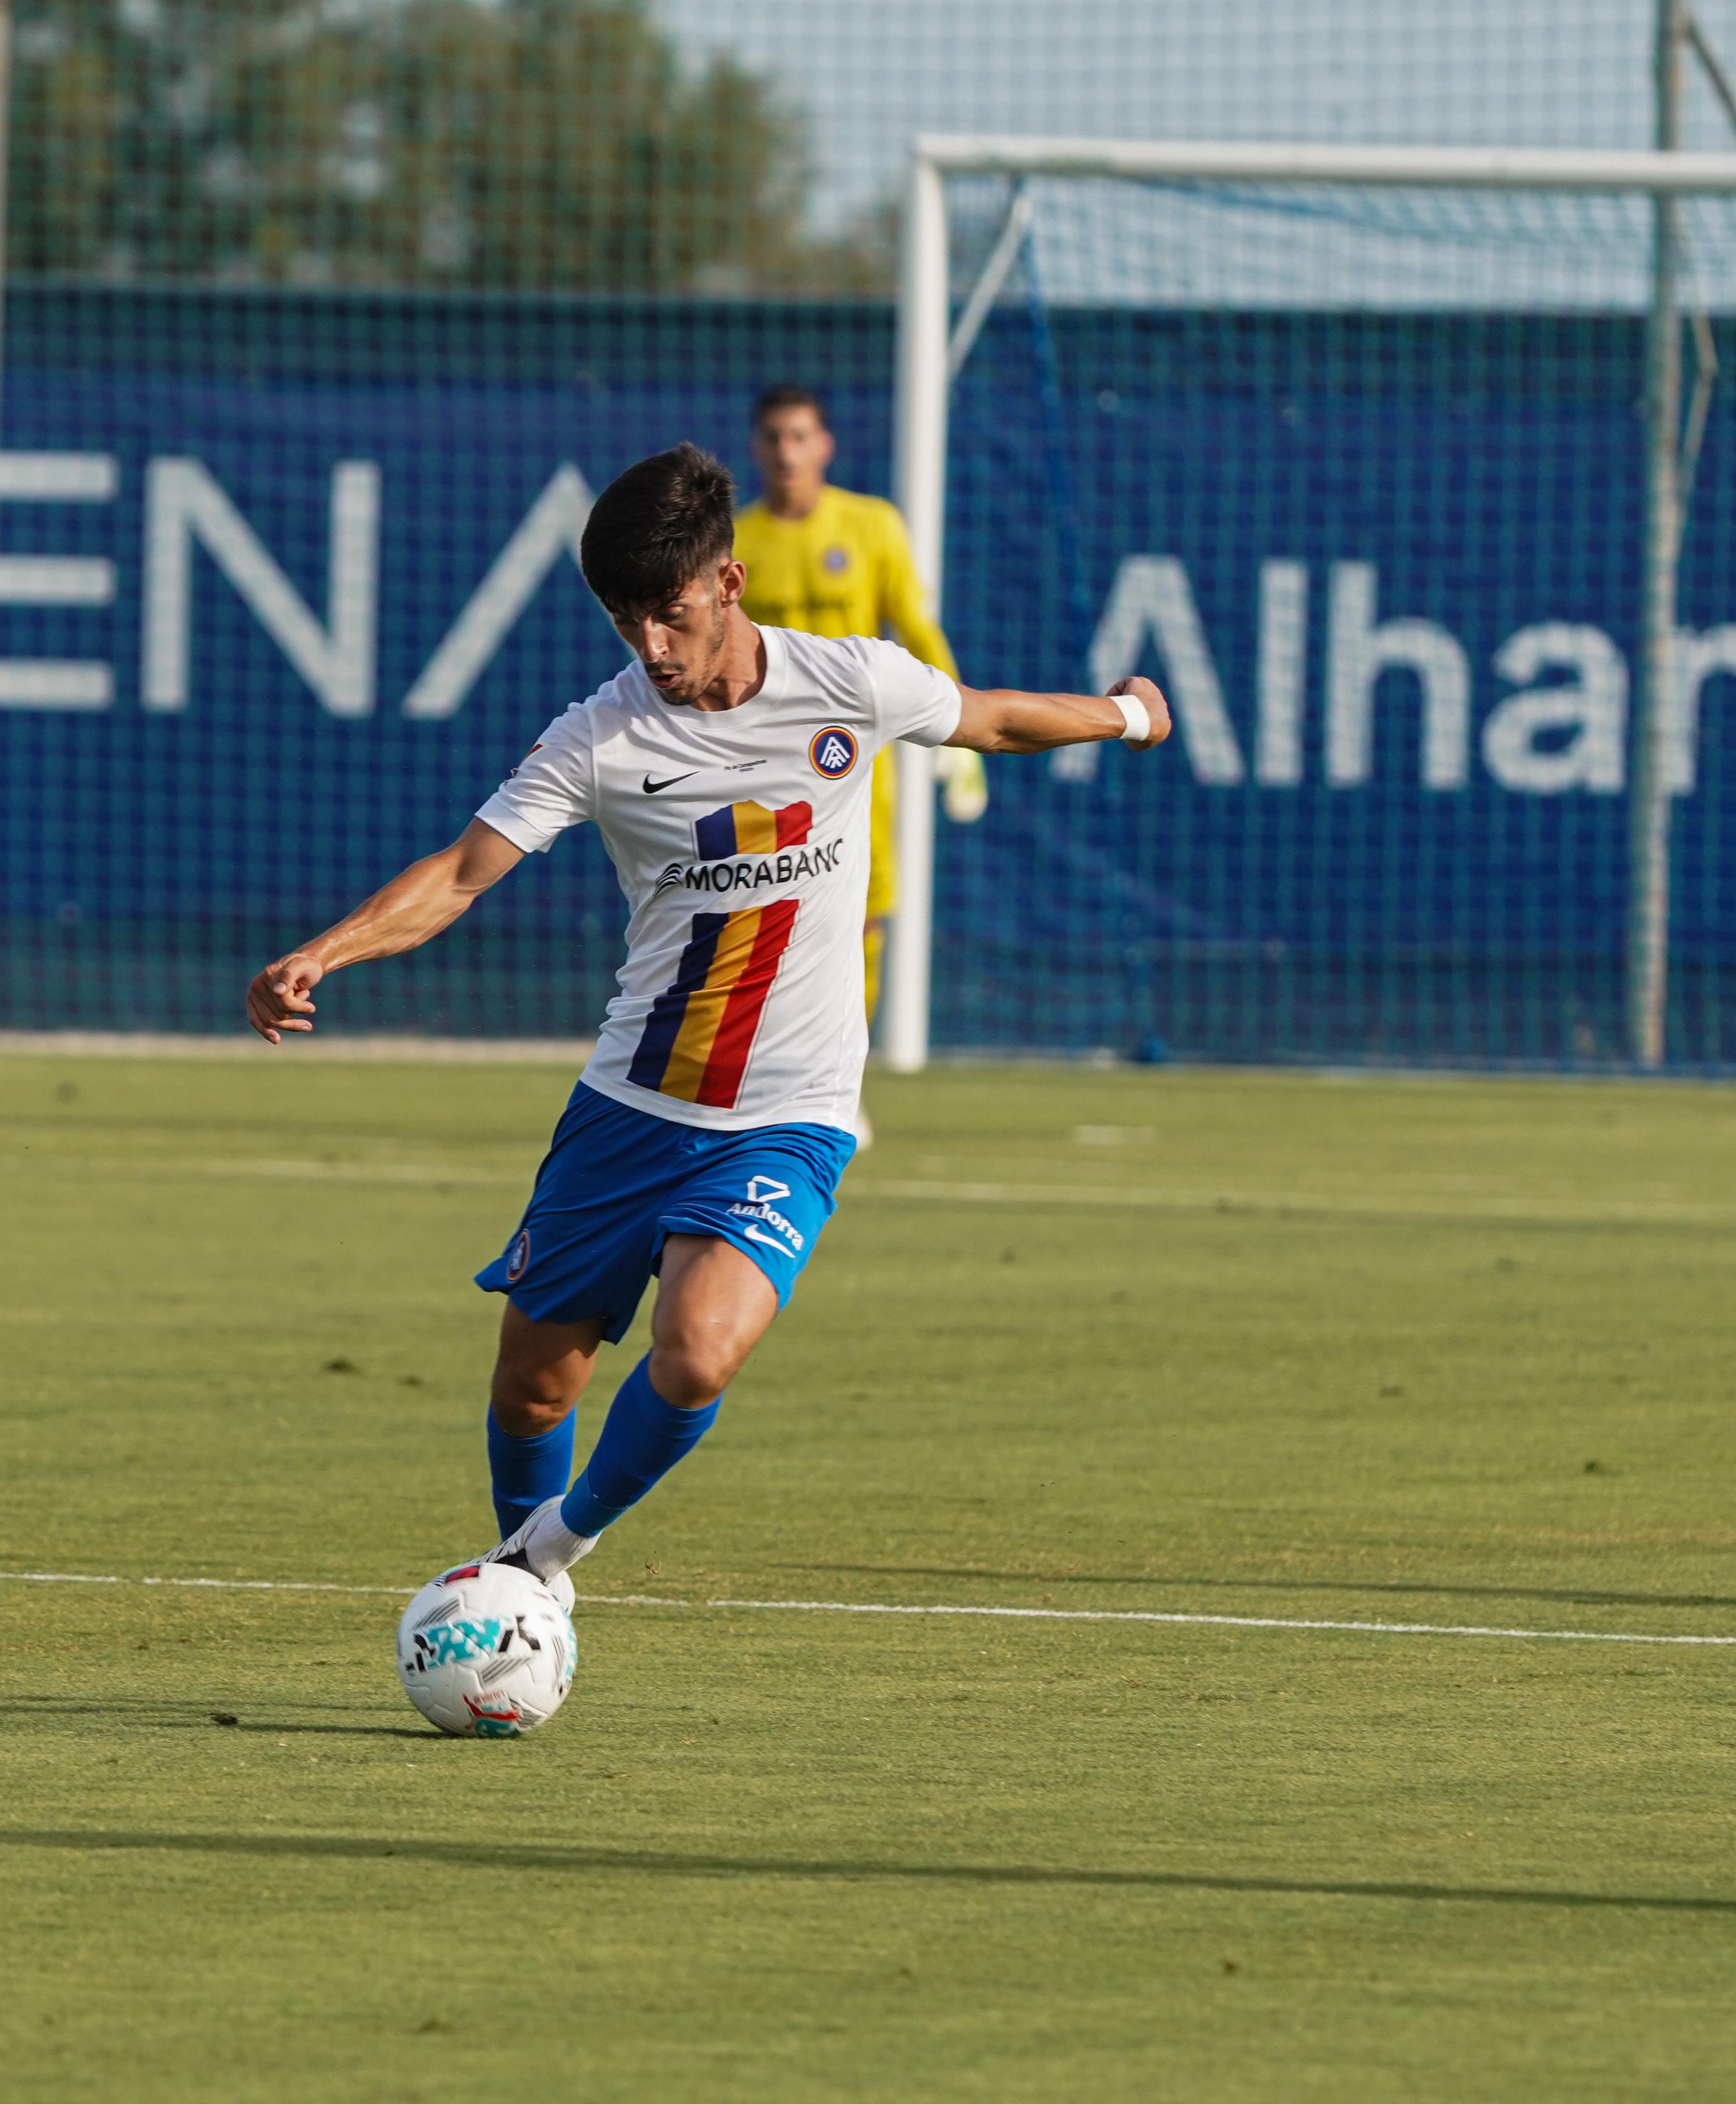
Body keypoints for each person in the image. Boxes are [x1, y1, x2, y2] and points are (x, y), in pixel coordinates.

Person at [246, 443, 1169, 1599]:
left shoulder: (848, 682)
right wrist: (322, 951)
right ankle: (522, 1575)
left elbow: (989, 718)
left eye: (669, 616)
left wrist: (1128, 716)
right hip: (629, 1104)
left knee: (694, 1350)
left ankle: (534, 1565)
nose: (650, 648)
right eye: (626, 622)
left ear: (725, 584)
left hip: (788, 1116)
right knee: (533, 1385)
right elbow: (462, 871)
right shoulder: (599, 735)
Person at [734, 385, 989, 1071]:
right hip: (763, 762)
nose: (788, 452)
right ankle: (762, 1071)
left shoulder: (872, 525)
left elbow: (915, 625)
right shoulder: (738, 541)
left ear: (825, 445)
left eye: (800, 436)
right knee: (764, 920)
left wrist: (960, 734)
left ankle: (838, 1075)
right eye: (775, 438)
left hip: (854, 758)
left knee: (864, 918)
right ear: (757, 449)